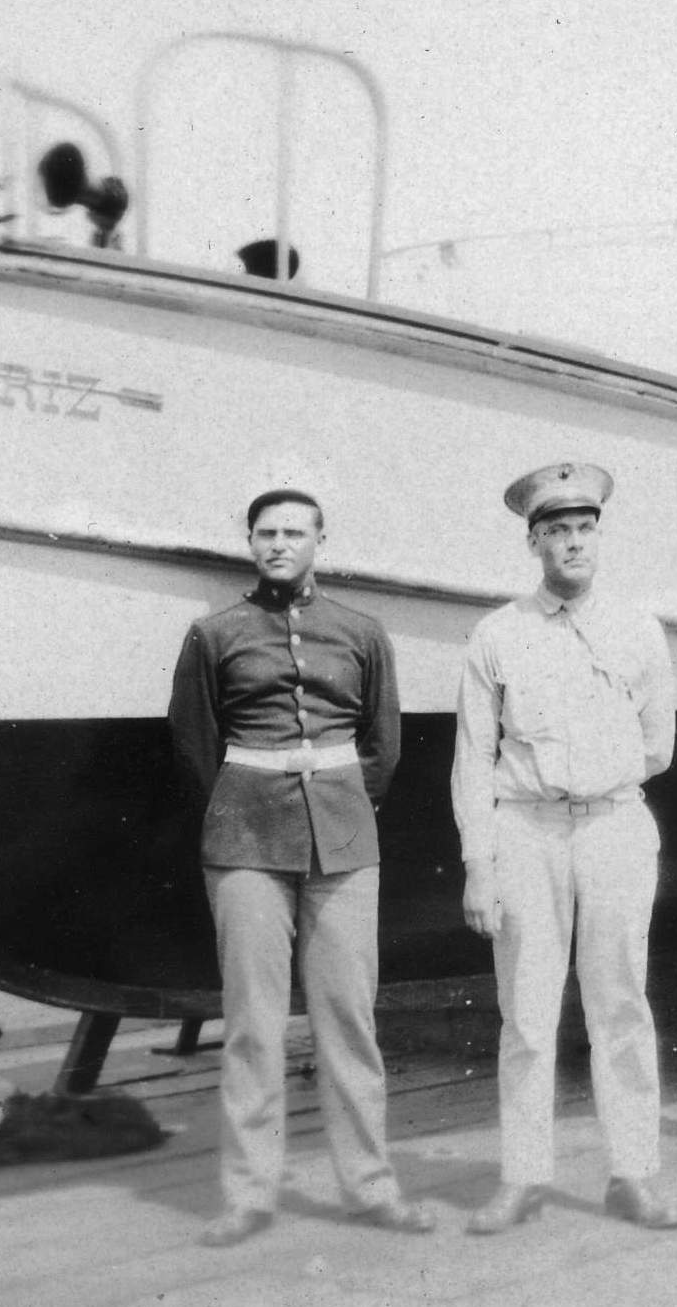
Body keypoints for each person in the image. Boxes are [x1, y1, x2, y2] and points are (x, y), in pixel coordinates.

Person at [167, 488, 435, 1247]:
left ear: (321, 541)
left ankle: (371, 1188)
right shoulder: (215, 634)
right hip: (244, 843)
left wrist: (341, 800)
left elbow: (382, 743)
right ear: (249, 542)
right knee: (252, 1024)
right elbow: (193, 742)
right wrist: (239, 803)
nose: (279, 544)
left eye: (293, 532)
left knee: (348, 1019)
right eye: (266, 533)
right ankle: (250, 1196)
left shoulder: (361, 632)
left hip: (344, 841)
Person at [451, 462, 677, 1234]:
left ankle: (632, 1176)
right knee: (526, 1013)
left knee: (621, 1004)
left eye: (585, 528)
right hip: (526, 830)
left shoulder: (639, 630)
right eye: (557, 530)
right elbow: (472, 758)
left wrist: (598, 782)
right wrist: (478, 864)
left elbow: (657, 744)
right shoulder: (497, 634)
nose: (574, 543)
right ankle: (523, 1178)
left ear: (598, 536)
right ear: (534, 543)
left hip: (614, 826)